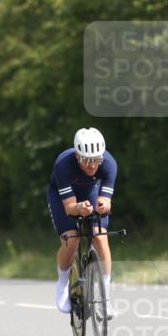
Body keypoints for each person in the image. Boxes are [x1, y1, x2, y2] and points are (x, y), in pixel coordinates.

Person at [47, 127, 117, 314]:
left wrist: (103, 205)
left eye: (96, 160)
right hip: (63, 196)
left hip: (90, 190)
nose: (92, 166)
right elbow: (70, 207)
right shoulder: (63, 164)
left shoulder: (109, 163)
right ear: (78, 156)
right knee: (72, 238)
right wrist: (79, 208)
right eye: (87, 160)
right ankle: (62, 282)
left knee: (100, 237)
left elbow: (107, 201)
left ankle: (106, 297)